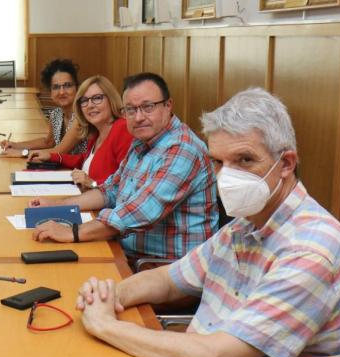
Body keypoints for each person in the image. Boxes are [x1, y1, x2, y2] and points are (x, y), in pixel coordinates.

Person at [75, 87, 340, 357]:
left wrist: (107, 326)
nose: (227, 176)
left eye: (244, 160)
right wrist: (112, 295)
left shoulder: (312, 250)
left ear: (286, 163)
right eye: (218, 162)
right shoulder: (246, 225)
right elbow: (170, 279)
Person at [31, 72, 217, 264]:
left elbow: (142, 211)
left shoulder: (182, 149)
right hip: (126, 251)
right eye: (130, 109)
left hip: (163, 266)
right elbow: (110, 190)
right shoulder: (142, 141)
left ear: (168, 105)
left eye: (147, 107)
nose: (138, 117)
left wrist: (71, 232)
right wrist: (58, 206)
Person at [28, 75, 132, 191]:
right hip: (88, 198)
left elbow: (126, 182)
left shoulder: (122, 129)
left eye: (97, 98)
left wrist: (93, 183)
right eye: (84, 100)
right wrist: (52, 157)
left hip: (104, 206)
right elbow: (84, 160)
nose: (90, 105)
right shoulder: (96, 132)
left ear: (111, 99)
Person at [0, 58, 88, 158]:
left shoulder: (81, 116)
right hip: (65, 168)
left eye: (67, 86)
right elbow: (48, 142)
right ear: (50, 92)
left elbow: (59, 151)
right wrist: (15, 145)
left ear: (77, 88)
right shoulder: (56, 114)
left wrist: (22, 153)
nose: (62, 92)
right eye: (56, 87)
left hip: (81, 171)